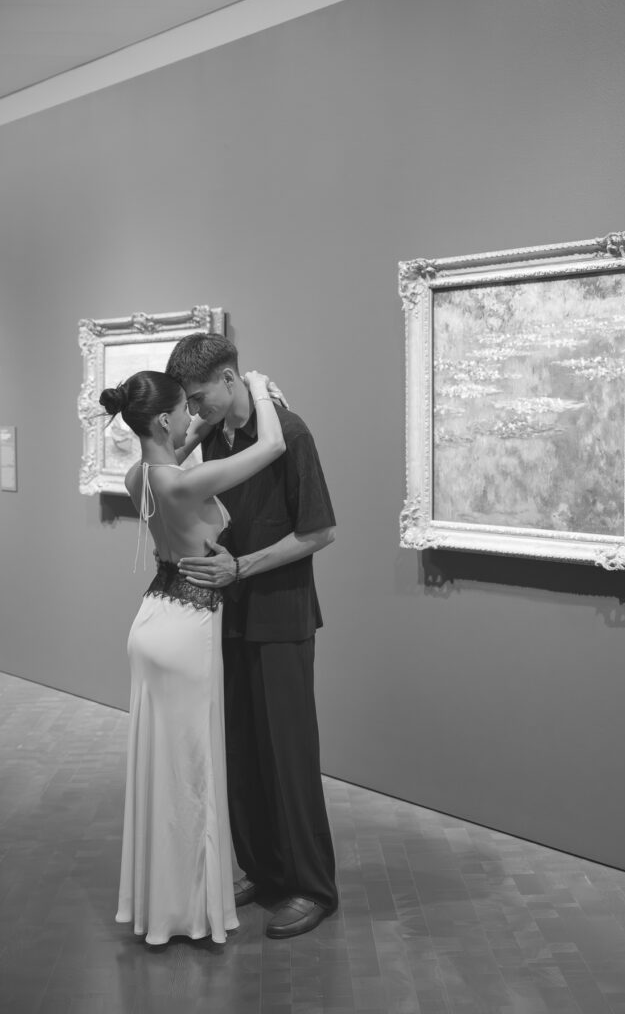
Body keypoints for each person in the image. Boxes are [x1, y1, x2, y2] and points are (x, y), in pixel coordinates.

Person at [100, 367, 285, 946]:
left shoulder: (140, 476)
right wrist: (256, 387)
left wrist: (201, 419)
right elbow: (274, 445)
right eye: (185, 409)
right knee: (193, 774)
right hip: (187, 630)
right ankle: (187, 911)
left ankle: (162, 904)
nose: (193, 418)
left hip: (153, 619)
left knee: (163, 771)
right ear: (162, 418)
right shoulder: (187, 482)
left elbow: (174, 445)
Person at [165, 334, 338, 939]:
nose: (194, 408)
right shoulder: (212, 438)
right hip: (227, 617)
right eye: (186, 400)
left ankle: (312, 887)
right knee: (240, 753)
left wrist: (240, 567)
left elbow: (318, 533)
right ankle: (263, 871)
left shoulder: (291, 432)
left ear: (233, 378)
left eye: (199, 396)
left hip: (282, 619)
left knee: (289, 757)